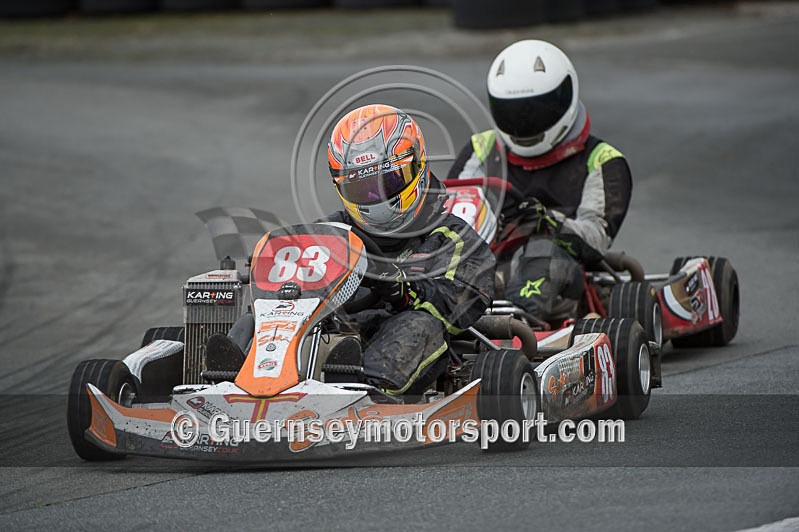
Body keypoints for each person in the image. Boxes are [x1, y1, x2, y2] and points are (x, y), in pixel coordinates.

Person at [447, 39, 633, 323]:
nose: (524, 123)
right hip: (489, 262)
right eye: (513, 112)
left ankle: (520, 325)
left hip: (562, 272)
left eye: (535, 110)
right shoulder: (482, 149)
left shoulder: (602, 160)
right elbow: (454, 211)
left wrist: (546, 221)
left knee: (541, 254)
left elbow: (596, 240)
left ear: (563, 99)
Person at [320, 103, 496, 398]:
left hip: (407, 344)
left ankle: (364, 392)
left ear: (417, 166)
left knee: (419, 324)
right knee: (256, 318)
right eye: (362, 189)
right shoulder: (334, 233)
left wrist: (403, 289)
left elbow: (459, 304)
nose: (375, 198)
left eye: (386, 182)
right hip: (336, 335)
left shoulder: (451, 236)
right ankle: (235, 380)